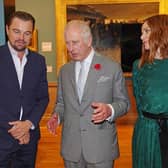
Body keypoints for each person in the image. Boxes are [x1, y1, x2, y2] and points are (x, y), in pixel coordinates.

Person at [47, 20, 130, 168]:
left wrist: (109, 110)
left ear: (89, 40)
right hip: (71, 149)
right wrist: (57, 116)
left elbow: (124, 103)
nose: (70, 48)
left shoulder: (111, 67)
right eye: (67, 43)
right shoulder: (64, 71)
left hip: (100, 149)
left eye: (75, 42)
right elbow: (61, 103)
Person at [0, 11, 49, 167]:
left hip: (29, 140)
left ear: (32, 34)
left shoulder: (39, 61)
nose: (21, 37)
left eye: (27, 33)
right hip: (1, 138)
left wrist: (28, 124)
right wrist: (16, 129)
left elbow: (43, 98)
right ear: (7, 29)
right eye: (16, 31)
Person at [132, 14, 168, 168]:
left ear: (160, 31)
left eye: (146, 31)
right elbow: (139, 101)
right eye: (142, 32)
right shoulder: (138, 66)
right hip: (147, 132)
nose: (141, 37)